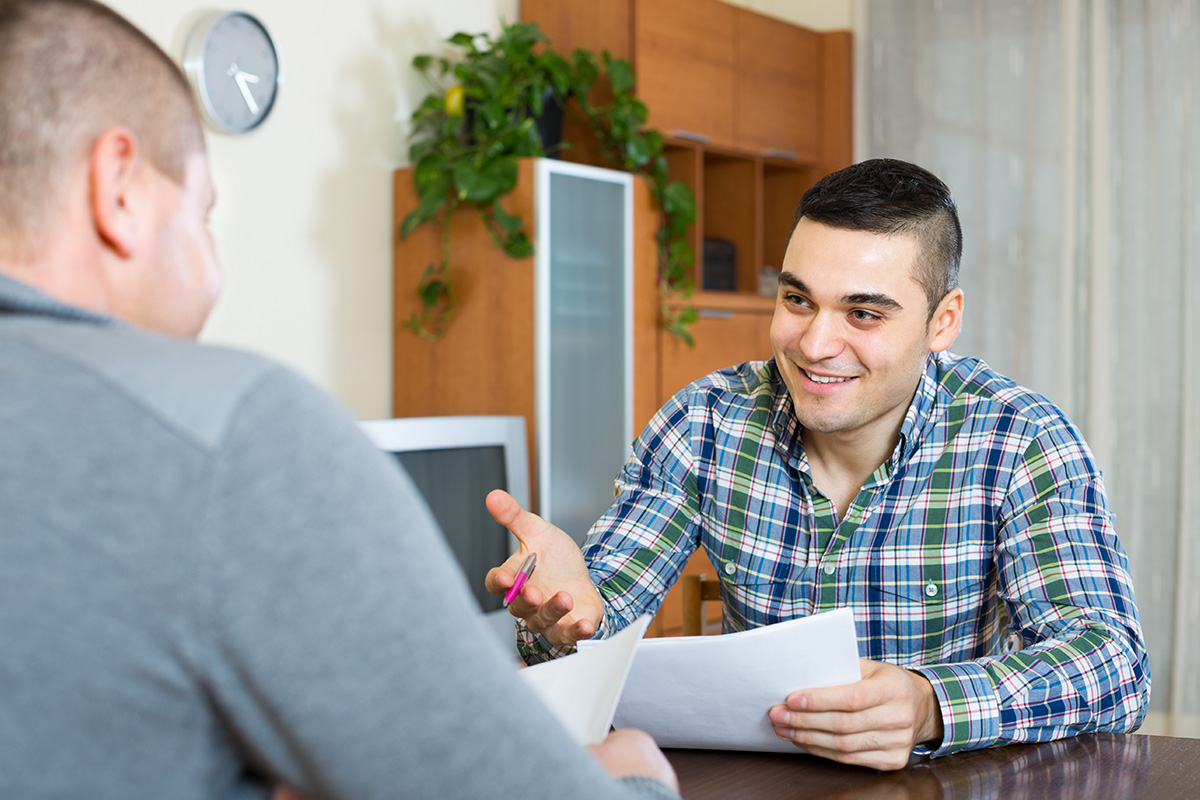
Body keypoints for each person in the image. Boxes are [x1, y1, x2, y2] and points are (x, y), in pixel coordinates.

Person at [0, 1, 679, 798]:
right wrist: (634, 776)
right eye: (203, 214)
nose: (212, 264)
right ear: (117, 186)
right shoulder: (233, 429)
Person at [486, 157, 1151, 771]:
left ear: (942, 322)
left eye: (862, 313)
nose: (813, 344)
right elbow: (587, 634)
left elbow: (1115, 666)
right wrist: (564, 611)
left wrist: (930, 705)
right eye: (798, 299)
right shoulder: (705, 422)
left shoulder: (1019, 437)